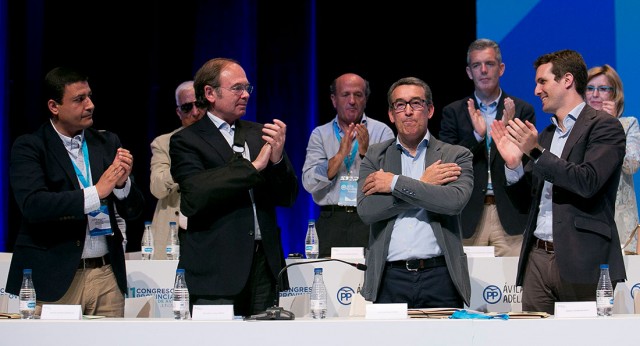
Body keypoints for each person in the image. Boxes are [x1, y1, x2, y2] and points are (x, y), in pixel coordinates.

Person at [490, 49, 627, 314]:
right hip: (537, 260)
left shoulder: (604, 126)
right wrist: (513, 164)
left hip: (582, 260)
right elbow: (525, 204)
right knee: (533, 339)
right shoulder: (546, 134)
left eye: (542, 82)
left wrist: (537, 153)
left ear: (566, 80)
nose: (536, 90)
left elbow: (587, 181)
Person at [5, 66, 145, 317]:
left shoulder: (107, 142)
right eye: (79, 99)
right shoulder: (30, 146)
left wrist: (123, 185)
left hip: (106, 277)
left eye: (89, 96)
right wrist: (96, 192)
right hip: (55, 278)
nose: (90, 105)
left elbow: (134, 210)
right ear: (54, 106)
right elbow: (34, 205)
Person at [169, 57, 298, 317]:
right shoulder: (186, 140)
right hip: (216, 268)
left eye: (247, 88)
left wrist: (276, 161)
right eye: (237, 88)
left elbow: (288, 197)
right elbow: (195, 195)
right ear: (209, 93)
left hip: (263, 265)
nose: (245, 95)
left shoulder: (260, 133)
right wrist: (252, 168)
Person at [357, 76, 473, 308]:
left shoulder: (455, 155)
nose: (408, 111)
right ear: (391, 114)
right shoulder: (375, 156)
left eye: (416, 103)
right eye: (400, 105)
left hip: (440, 275)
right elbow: (367, 211)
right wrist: (423, 183)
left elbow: (454, 202)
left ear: (429, 110)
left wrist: (394, 184)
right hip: (389, 277)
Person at [440, 38, 535, 257]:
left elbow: (530, 166)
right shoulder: (453, 112)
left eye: (489, 64)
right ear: (468, 72)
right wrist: (477, 136)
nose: (483, 70)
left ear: (501, 69)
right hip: (469, 214)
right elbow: (447, 163)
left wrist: (510, 131)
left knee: (513, 288)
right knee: (467, 287)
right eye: (476, 65)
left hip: (511, 213)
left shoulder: (522, 110)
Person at [302, 73, 395, 257]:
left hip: (368, 218)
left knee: (370, 281)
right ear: (334, 99)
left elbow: (391, 181)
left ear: (366, 99)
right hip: (331, 220)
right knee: (328, 279)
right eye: (345, 95)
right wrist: (340, 155)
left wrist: (366, 153)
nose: (352, 101)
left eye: (358, 95)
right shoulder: (320, 134)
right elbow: (309, 182)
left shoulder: (382, 131)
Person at [585, 64, 640, 255]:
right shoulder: (576, 129)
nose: (595, 94)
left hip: (620, 222)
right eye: (590, 88)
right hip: (586, 218)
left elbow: (631, 165)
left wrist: (613, 126)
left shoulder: (628, 124)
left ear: (614, 94)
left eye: (602, 89)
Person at [149, 80, 205, 259]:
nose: (195, 112)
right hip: (175, 232)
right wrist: (179, 167)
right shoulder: (163, 143)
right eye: (188, 107)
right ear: (179, 112)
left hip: (212, 229)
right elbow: (157, 189)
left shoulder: (224, 141)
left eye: (200, 104)